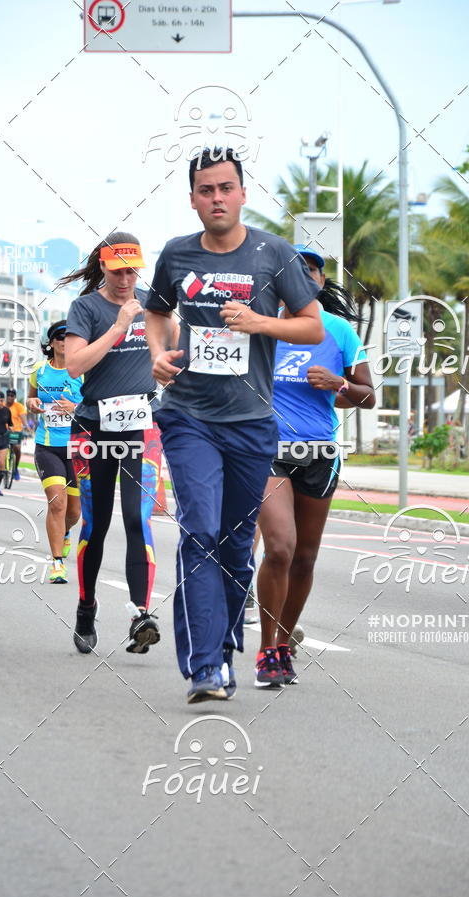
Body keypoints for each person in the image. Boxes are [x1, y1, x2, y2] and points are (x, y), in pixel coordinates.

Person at [145, 147, 324, 703]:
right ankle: (204, 667)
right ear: (193, 198)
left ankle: (222, 650)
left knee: (235, 541)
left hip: (251, 423)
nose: (216, 198)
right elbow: (157, 310)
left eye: (226, 188)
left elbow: (312, 327)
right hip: (188, 416)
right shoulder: (176, 255)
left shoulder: (274, 254)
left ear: (243, 193)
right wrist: (157, 353)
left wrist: (258, 322)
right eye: (206, 190)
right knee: (198, 531)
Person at [255, 246, 375, 687]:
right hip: (269, 450)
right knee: (281, 547)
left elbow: (367, 395)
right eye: (293, 272)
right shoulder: (263, 329)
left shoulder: (339, 331)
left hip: (320, 454)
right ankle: (267, 650)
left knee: (304, 557)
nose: (303, 278)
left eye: (310, 272)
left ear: (320, 283)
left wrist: (339, 382)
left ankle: (283, 645)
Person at [63, 232, 177, 655]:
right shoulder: (86, 307)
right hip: (93, 426)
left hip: (141, 426)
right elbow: (75, 366)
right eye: (118, 271)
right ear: (104, 268)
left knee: (137, 518)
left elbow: (175, 347)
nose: (127, 279)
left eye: (133, 271)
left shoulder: (153, 302)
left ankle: (140, 614)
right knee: (97, 522)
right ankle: (86, 607)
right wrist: (119, 325)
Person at [27, 320, 83, 584]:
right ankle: (57, 563)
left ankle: (65, 533)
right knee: (56, 503)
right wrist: (31, 402)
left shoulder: (83, 369)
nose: (65, 340)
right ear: (51, 343)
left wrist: (75, 408)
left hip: (77, 449)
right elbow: (30, 398)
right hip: (47, 446)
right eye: (60, 337)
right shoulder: (39, 370)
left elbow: (94, 405)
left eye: (69, 336)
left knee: (73, 513)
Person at [5, 388, 27, 480]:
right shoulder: (2, 405)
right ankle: (0, 463)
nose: (10, 397)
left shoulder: (19, 406)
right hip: (4, 431)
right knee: (1, 448)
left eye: (12, 395)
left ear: (14, 397)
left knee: (17, 448)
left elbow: (23, 418)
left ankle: (15, 468)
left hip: (16, 431)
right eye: (8, 395)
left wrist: (26, 427)